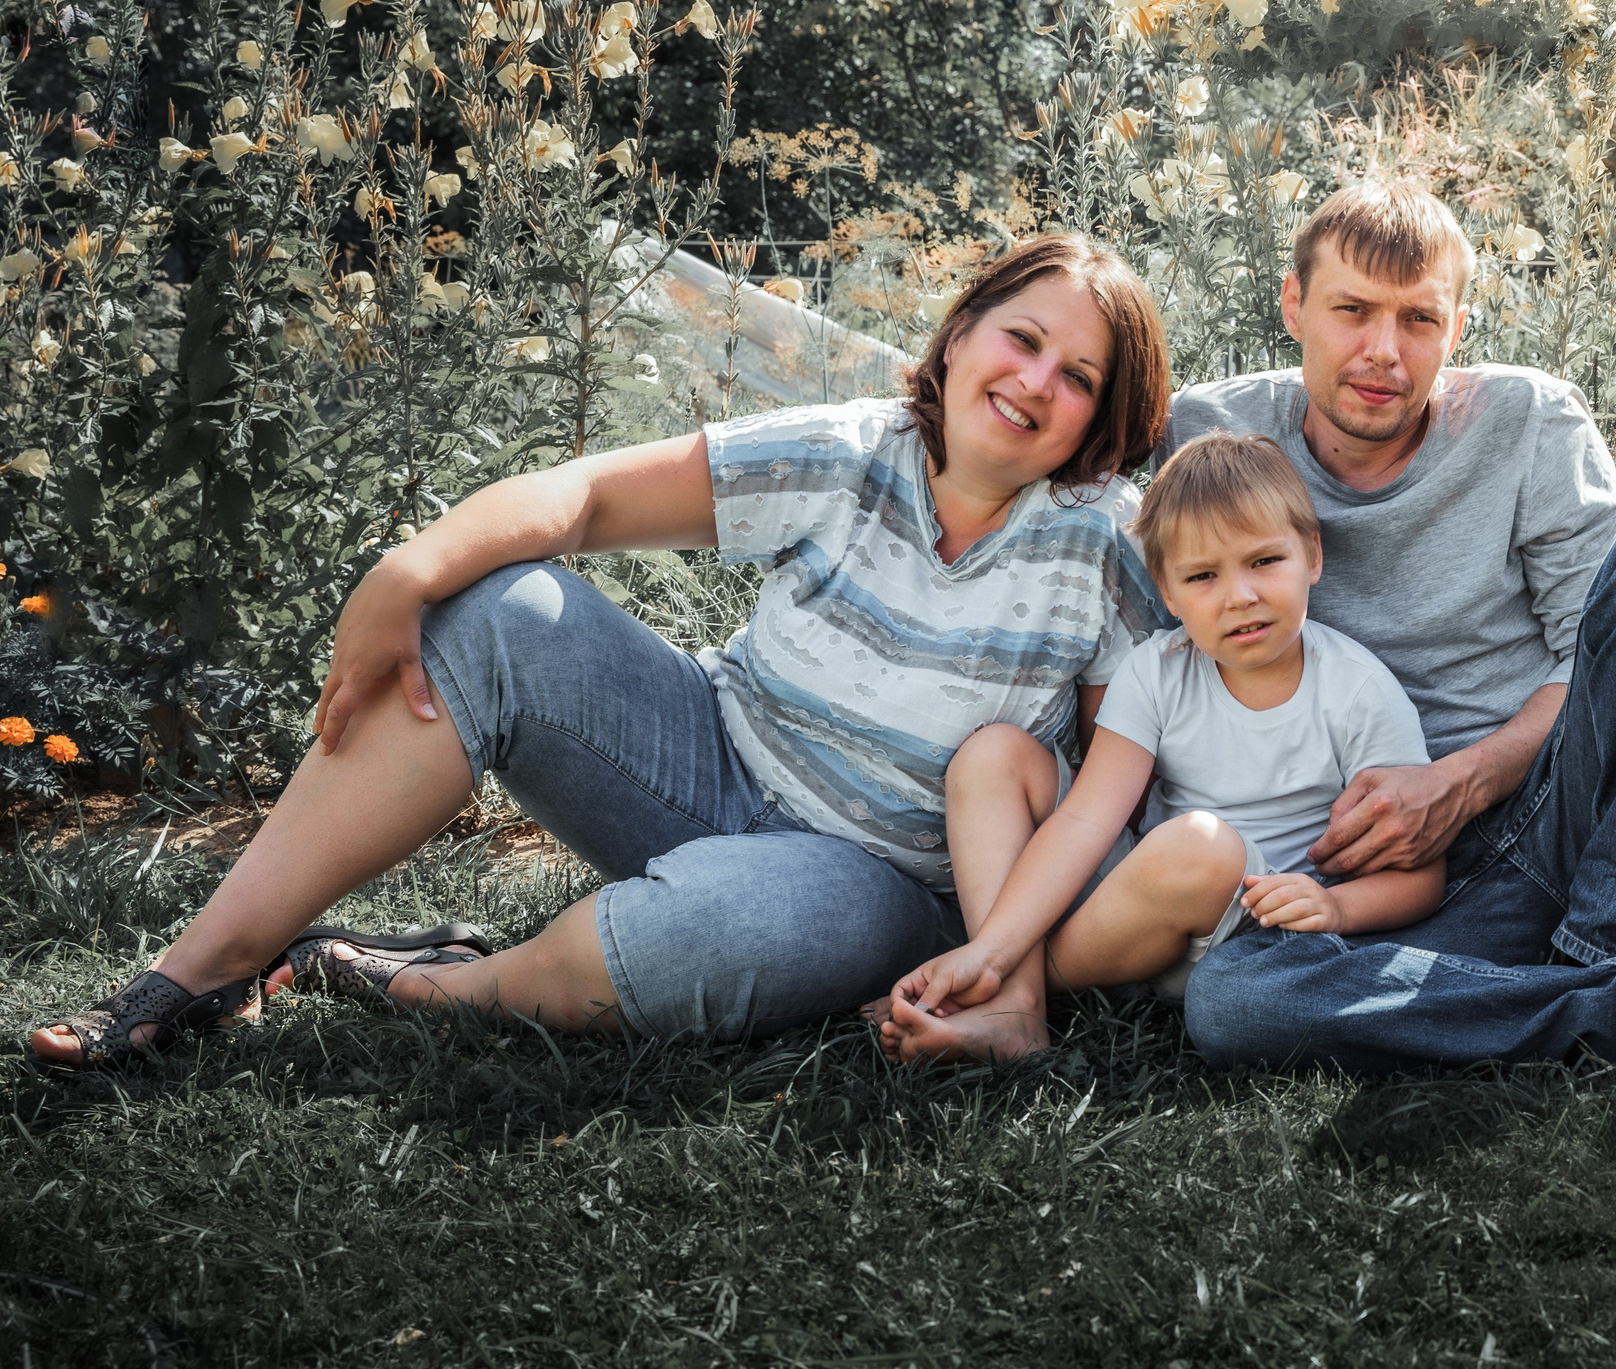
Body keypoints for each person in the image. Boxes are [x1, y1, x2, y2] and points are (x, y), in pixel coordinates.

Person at [28, 234, 1172, 1066]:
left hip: (878, 880)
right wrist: (406, 571)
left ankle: (431, 980)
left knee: (697, 938)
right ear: (962, 329)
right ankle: (206, 966)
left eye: (1078, 378)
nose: (1034, 382)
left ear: (1100, 419)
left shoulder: (1101, 545)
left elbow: (1119, 761)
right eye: (1021, 339)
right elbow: (577, 498)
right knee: (497, 610)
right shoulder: (847, 451)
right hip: (705, 759)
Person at [1159, 178, 1616, 1072]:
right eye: (1352, 310)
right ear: (1294, 304)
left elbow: (1591, 654)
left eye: (1418, 319)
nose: (1383, 351)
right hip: (1354, 877)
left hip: (1550, 821)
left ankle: (1602, 951)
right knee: (1237, 1002)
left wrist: (1463, 780)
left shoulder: (1528, 423)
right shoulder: (1211, 432)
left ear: (1456, 330)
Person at [876, 431, 1437, 1063]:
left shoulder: (1359, 691)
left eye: (1264, 562)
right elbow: (1089, 817)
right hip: (1139, 904)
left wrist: (1334, 906)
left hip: (1249, 933)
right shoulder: (1156, 670)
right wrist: (992, 946)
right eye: (1202, 576)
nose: (1240, 596)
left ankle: (998, 988)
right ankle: (1008, 990)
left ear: (1311, 554)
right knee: (993, 756)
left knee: (1199, 848)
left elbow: (1420, 874)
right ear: (1167, 594)